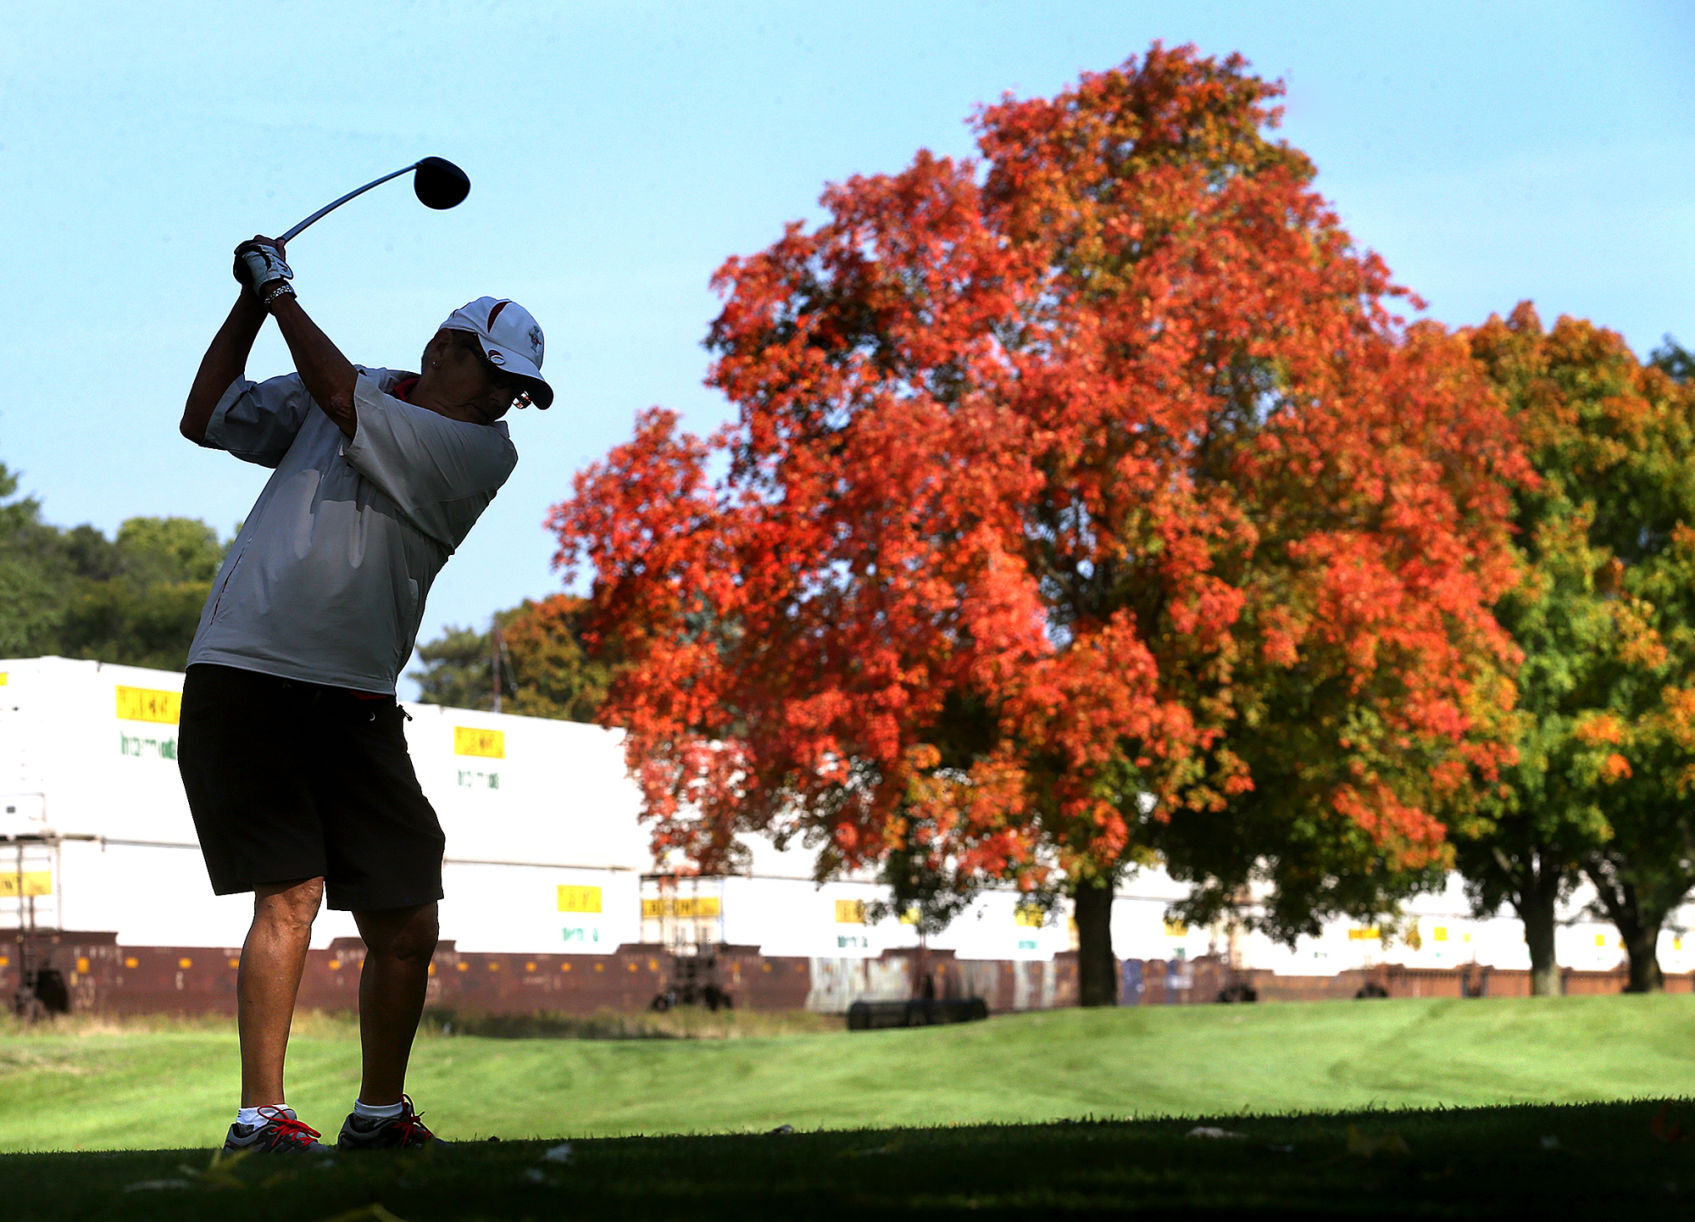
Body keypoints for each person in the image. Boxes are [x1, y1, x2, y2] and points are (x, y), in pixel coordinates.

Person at [176, 235, 552, 1153]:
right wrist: (250, 304)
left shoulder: (478, 451)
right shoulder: (347, 382)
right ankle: (259, 1117)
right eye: (496, 374)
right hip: (248, 671)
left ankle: (378, 1113)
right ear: (442, 350)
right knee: (290, 893)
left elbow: (342, 399)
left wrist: (283, 294)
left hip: (356, 696)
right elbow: (205, 415)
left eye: (519, 390)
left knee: (407, 913)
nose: (507, 400)